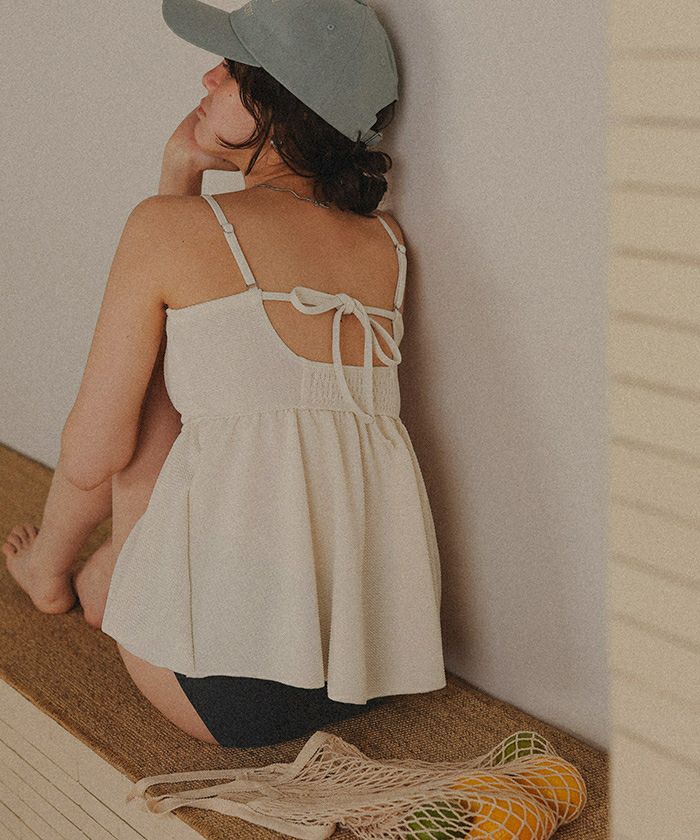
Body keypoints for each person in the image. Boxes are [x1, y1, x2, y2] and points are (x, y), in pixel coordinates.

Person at [2, 0, 446, 748]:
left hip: (214, 690)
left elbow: (94, 451)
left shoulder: (168, 226)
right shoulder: (387, 243)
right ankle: (99, 575)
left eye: (233, 70)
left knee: (138, 400)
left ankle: (51, 569)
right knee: (235, 411)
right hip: (366, 667)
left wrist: (175, 174)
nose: (207, 77)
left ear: (279, 103)